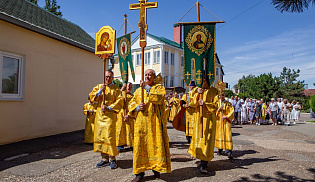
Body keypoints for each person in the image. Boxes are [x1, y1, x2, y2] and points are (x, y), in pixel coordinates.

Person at [127, 69, 171, 181]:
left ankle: (155, 169)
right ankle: (139, 174)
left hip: (154, 124)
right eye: (145, 74)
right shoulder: (137, 91)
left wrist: (145, 88)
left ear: (154, 77)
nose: (147, 76)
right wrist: (137, 107)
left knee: (154, 146)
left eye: (149, 75)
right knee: (139, 148)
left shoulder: (159, 88)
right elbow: (131, 103)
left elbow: (158, 98)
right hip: (141, 125)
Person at [89, 70, 123, 169]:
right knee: (100, 137)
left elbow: (120, 101)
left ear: (113, 78)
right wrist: (100, 91)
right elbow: (91, 98)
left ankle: (112, 158)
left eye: (110, 77)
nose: (107, 78)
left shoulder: (116, 88)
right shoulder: (99, 86)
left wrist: (108, 107)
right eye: (106, 77)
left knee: (109, 137)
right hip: (99, 116)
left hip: (110, 116)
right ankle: (104, 158)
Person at [187, 85, 219, 174]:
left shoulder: (214, 91)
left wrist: (205, 104)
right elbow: (192, 103)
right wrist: (198, 94)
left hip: (209, 120)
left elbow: (216, 105)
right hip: (198, 119)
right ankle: (201, 160)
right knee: (199, 141)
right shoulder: (196, 90)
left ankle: (204, 163)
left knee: (207, 141)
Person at [215, 91, 234, 159]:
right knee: (220, 135)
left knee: (227, 135)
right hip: (219, 122)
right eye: (220, 95)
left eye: (223, 95)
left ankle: (229, 151)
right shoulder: (217, 103)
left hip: (226, 122)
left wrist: (226, 116)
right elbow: (213, 112)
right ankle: (220, 149)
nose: (221, 96)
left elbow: (232, 112)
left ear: (224, 95)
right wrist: (219, 109)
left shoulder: (228, 104)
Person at [116, 82, 134, 152]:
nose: (129, 88)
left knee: (130, 130)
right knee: (120, 129)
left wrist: (129, 114)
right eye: (128, 86)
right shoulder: (122, 94)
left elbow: (133, 106)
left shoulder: (132, 96)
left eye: (131, 87)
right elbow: (116, 97)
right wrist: (122, 88)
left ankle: (131, 144)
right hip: (121, 114)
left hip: (129, 115)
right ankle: (120, 145)